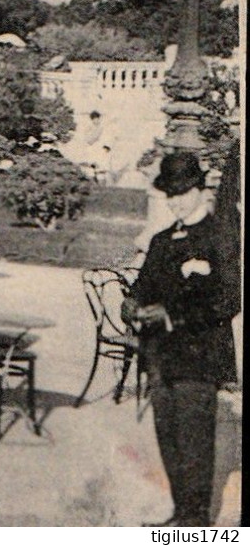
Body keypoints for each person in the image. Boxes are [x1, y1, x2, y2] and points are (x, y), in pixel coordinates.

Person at [125, 152, 240, 527]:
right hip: (160, 357)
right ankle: (181, 516)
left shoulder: (219, 236)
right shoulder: (160, 241)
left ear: (200, 190)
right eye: (169, 194)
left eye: (181, 193)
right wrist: (131, 302)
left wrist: (172, 315)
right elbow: (142, 287)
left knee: (194, 443)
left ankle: (196, 523)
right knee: (170, 440)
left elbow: (229, 300)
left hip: (199, 358)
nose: (175, 201)